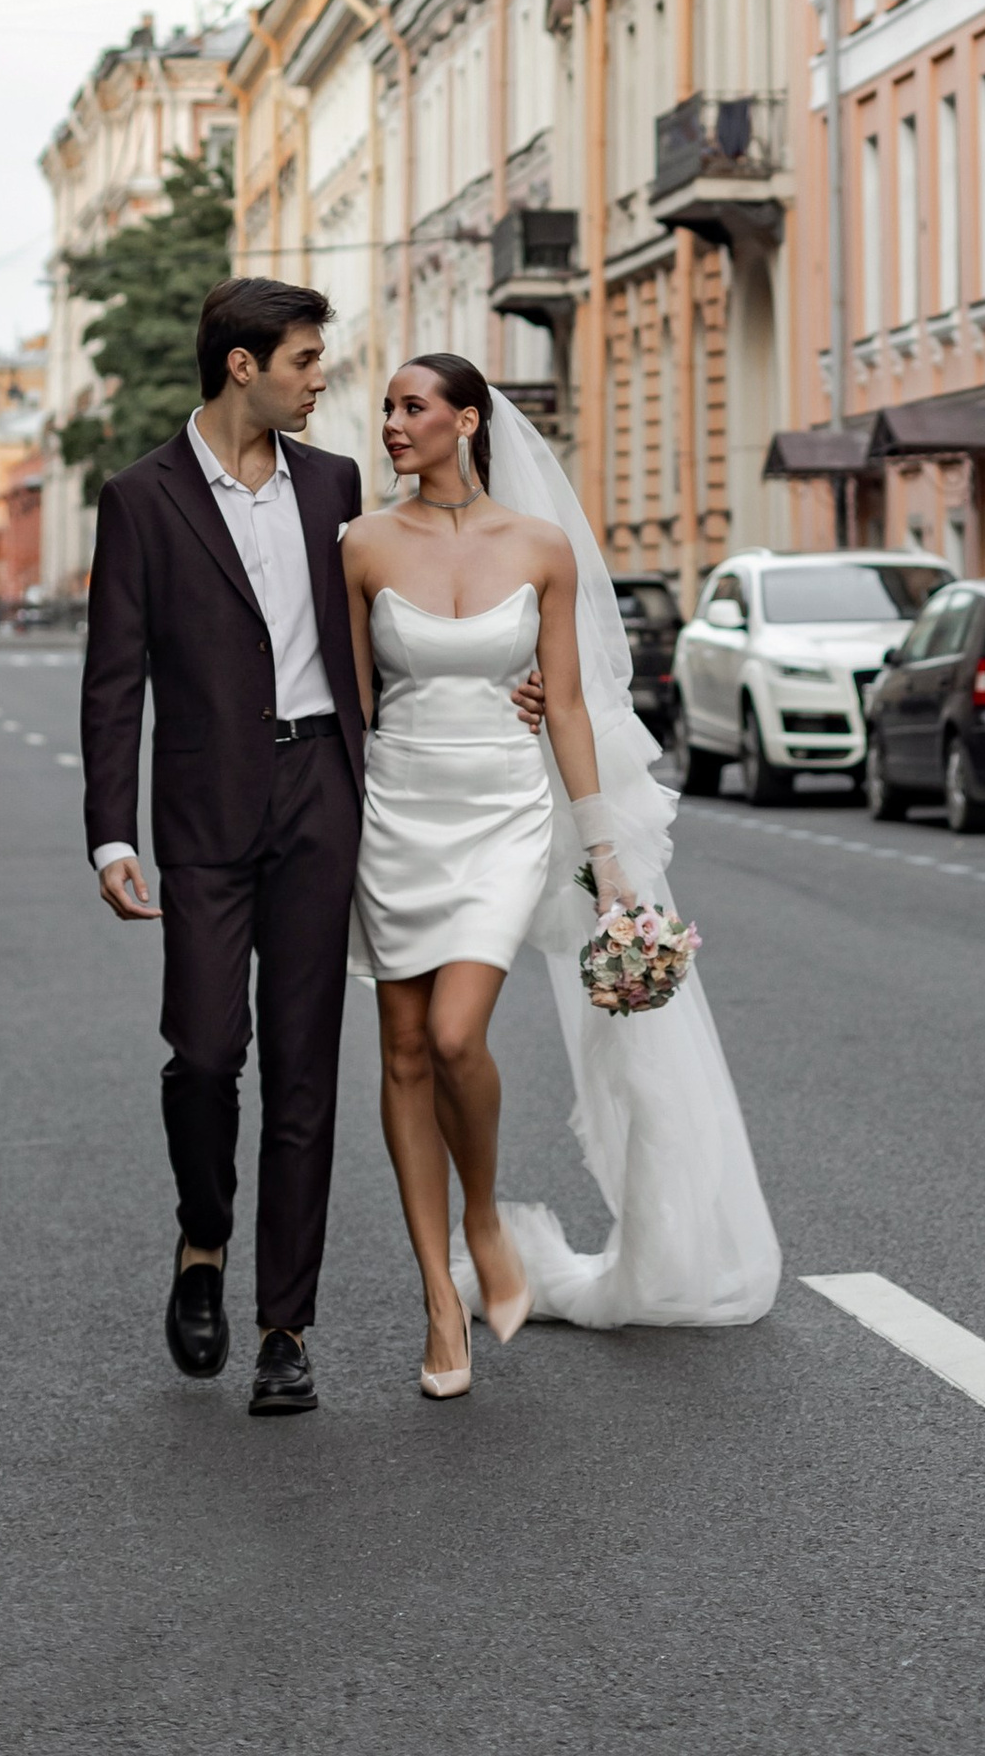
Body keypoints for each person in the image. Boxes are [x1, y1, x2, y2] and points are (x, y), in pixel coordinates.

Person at [78, 277, 547, 1418]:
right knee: (202, 1052)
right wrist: (109, 833)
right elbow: (114, 679)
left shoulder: (333, 485)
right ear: (244, 366)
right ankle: (204, 1239)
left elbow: (396, 629)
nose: (321, 377)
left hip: (325, 795)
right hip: (200, 810)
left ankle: (285, 1326)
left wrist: (504, 684)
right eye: (304, 358)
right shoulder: (140, 497)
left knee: (302, 1069)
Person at [346, 351, 779, 1397]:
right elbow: (353, 711)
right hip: (395, 809)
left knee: (455, 1036)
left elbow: (572, 706)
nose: (393, 425)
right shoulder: (358, 543)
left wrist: (605, 855)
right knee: (403, 1051)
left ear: (466, 420)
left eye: (413, 407)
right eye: (388, 409)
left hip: (501, 811)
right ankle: (439, 1304)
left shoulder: (540, 547)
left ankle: (483, 1215)